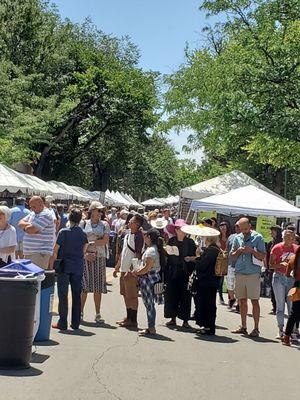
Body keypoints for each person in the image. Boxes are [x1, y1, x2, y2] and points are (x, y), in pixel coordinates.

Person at [50, 209, 89, 330]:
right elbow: (84, 251)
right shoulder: (83, 234)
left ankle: (63, 322)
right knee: (76, 294)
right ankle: (75, 323)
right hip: (77, 266)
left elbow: (55, 249)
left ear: (69, 219)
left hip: (64, 265)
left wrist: (52, 264)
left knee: (63, 294)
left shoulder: (63, 232)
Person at [230, 217, 265, 337]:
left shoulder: (258, 237)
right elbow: (232, 256)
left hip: (253, 273)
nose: (244, 230)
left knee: (254, 300)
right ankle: (243, 326)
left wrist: (252, 251)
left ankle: (256, 328)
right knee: (242, 300)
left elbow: (262, 256)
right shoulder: (237, 238)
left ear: (250, 226)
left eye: (246, 228)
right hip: (240, 272)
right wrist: (239, 251)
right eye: (241, 228)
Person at [80, 201, 110, 323]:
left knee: (97, 286)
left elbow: (105, 240)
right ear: (92, 211)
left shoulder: (104, 224)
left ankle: (97, 313)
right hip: (85, 256)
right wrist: (85, 253)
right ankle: (80, 312)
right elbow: (80, 240)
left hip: (99, 256)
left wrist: (90, 243)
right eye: (98, 210)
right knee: (84, 286)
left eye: (101, 211)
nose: (100, 213)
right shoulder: (83, 223)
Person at [113, 213, 144, 328]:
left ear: (137, 224)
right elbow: (123, 252)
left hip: (131, 271)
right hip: (123, 268)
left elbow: (137, 254)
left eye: (132, 221)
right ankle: (128, 317)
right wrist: (117, 267)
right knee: (125, 294)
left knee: (132, 296)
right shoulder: (127, 234)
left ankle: (133, 319)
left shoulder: (139, 236)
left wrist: (131, 270)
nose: (129, 222)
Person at [164, 219, 196, 328]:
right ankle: (172, 318)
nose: (180, 230)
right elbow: (167, 257)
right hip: (172, 271)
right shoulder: (171, 240)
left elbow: (195, 257)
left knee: (185, 296)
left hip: (185, 272)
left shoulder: (190, 242)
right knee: (171, 295)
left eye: (182, 228)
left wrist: (190, 258)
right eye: (178, 228)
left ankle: (185, 320)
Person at [132, 228, 165, 335]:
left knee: (149, 304)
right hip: (151, 278)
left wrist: (137, 273)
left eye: (146, 236)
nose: (144, 238)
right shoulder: (153, 248)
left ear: (149, 237)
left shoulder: (151, 250)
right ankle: (151, 327)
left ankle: (151, 327)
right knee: (149, 304)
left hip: (148, 279)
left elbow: (147, 267)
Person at [269, 229, 297, 339]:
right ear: (283, 237)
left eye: (291, 237)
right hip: (279, 277)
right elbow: (270, 265)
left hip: (292, 278)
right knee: (280, 305)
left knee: (292, 307)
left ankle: (292, 331)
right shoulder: (277, 248)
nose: (289, 239)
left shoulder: (296, 249)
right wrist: (280, 264)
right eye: (287, 236)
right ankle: (280, 329)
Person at [194, 235, 220, 335]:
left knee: (207, 304)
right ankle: (208, 326)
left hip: (207, 281)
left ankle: (208, 327)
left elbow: (202, 265)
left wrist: (197, 256)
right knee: (210, 304)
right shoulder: (216, 249)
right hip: (213, 280)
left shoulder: (211, 250)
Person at [19, 196, 56, 269]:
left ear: (41, 204)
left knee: (37, 278)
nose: (31, 209)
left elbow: (31, 230)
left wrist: (27, 228)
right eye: (31, 206)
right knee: (30, 278)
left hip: (39, 253)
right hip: (31, 252)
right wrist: (30, 226)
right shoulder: (33, 213)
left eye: (33, 207)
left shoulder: (46, 214)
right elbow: (20, 223)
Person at [282, 247, 300, 346]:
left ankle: (286, 337)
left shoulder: (293, 258)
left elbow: (287, 274)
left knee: (293, 314)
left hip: (298, 288)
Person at [266, 225, 282, 314]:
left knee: (279, 290)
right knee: (273, 289)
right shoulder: (270, 243)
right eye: (271, 230)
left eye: (273, 231)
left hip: (280, 269)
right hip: (271, 269)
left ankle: (279, 307)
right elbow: (267, 256)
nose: (271, 232)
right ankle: (275, 307)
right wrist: (267, 267)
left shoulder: (281, 243)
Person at [227, 223, 241, 310]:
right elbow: (227, 249)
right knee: (230, 285)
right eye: (236, 226)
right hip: (231, 264)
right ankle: (232, 299)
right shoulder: (231, 237)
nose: (237, 228)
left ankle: (239, 304)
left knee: (239, 286)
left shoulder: (246, 237)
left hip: (241, 266)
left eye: (239, 226)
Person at [218, 221, 231, 305]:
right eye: (221, 226)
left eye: (224, 226)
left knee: (229, 279)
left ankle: (231, 298)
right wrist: (222, 251)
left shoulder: (230, 237)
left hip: (229, 259)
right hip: (220, 259)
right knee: (221, 279)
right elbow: (217, 246)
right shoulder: (217, 237)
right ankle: (220, 296)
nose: (223, 227)